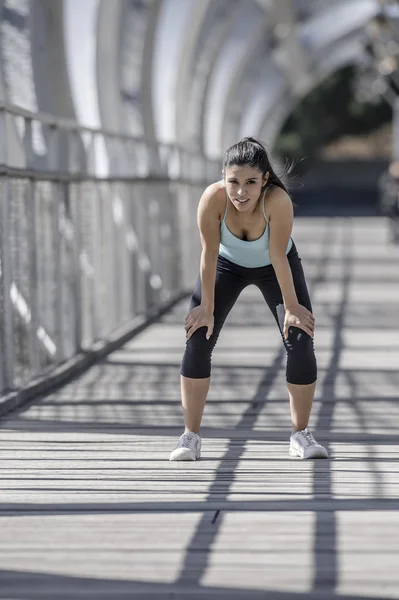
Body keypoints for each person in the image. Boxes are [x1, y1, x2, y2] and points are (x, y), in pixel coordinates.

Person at [169, 137, 328, 461]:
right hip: (226, 265)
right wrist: (207, 308)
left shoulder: (277, 200)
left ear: (265, 180)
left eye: (250, 183)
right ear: (223, 177)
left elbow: (276, 255)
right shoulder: (213, 199)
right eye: (233, 182)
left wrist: (292, 308)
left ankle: (300, 435)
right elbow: (209, 253)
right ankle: (190, 436)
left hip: (276, 265)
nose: (241, 192)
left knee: (300, 337)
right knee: (199, 335)